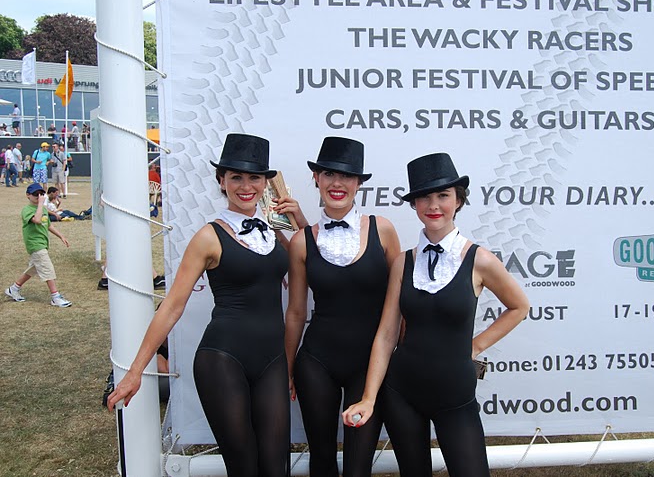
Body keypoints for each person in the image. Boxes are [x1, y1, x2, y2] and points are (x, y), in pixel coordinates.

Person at [106, 134, 308, 476]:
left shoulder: (273, 233)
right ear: (221, 181)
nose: (246, 186)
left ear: (266, 183)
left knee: (277, 467)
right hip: (223, 360)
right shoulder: (208, 237)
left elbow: (311, 265)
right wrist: (136, 370)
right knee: (243, 467)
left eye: (254, 177)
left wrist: (299, 219)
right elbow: (172, 306)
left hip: (272, 361)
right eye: (236, 177)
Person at [342, 152, 530, 477]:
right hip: (402, 393)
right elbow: (387, 334)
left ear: (459, 200)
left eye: (443, 195)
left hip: (456, 396)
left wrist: (475, 346)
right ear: (414, 204)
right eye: (424, 197)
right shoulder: (403, 263)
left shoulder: (480, 259)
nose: (433, 205)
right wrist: (369, 398)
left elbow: (519, 307)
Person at [284, 137, 400, 477]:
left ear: (359, 182)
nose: (337, 183)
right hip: (316, 362)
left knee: (357, 468)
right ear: (316, 178)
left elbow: (402, 301)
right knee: (321, 461)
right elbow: (296, 312)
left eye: (347, 175)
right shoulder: (301, 241)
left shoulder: (383, 230)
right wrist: (287, 368)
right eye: (329, 174)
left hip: (370, 364)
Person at [4, 182, 72, 307]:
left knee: (34, 268)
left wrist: (61, 236)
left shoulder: (43, 209)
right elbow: (37, 220)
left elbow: (48, 225)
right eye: (35, 194)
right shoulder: (27, 210)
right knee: (47, 268)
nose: (39, 196)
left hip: (43, 243)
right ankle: (55, 296)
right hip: (35, 244)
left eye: (41, 194)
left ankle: (14, 288)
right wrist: (40, 204)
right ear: (28, 195)